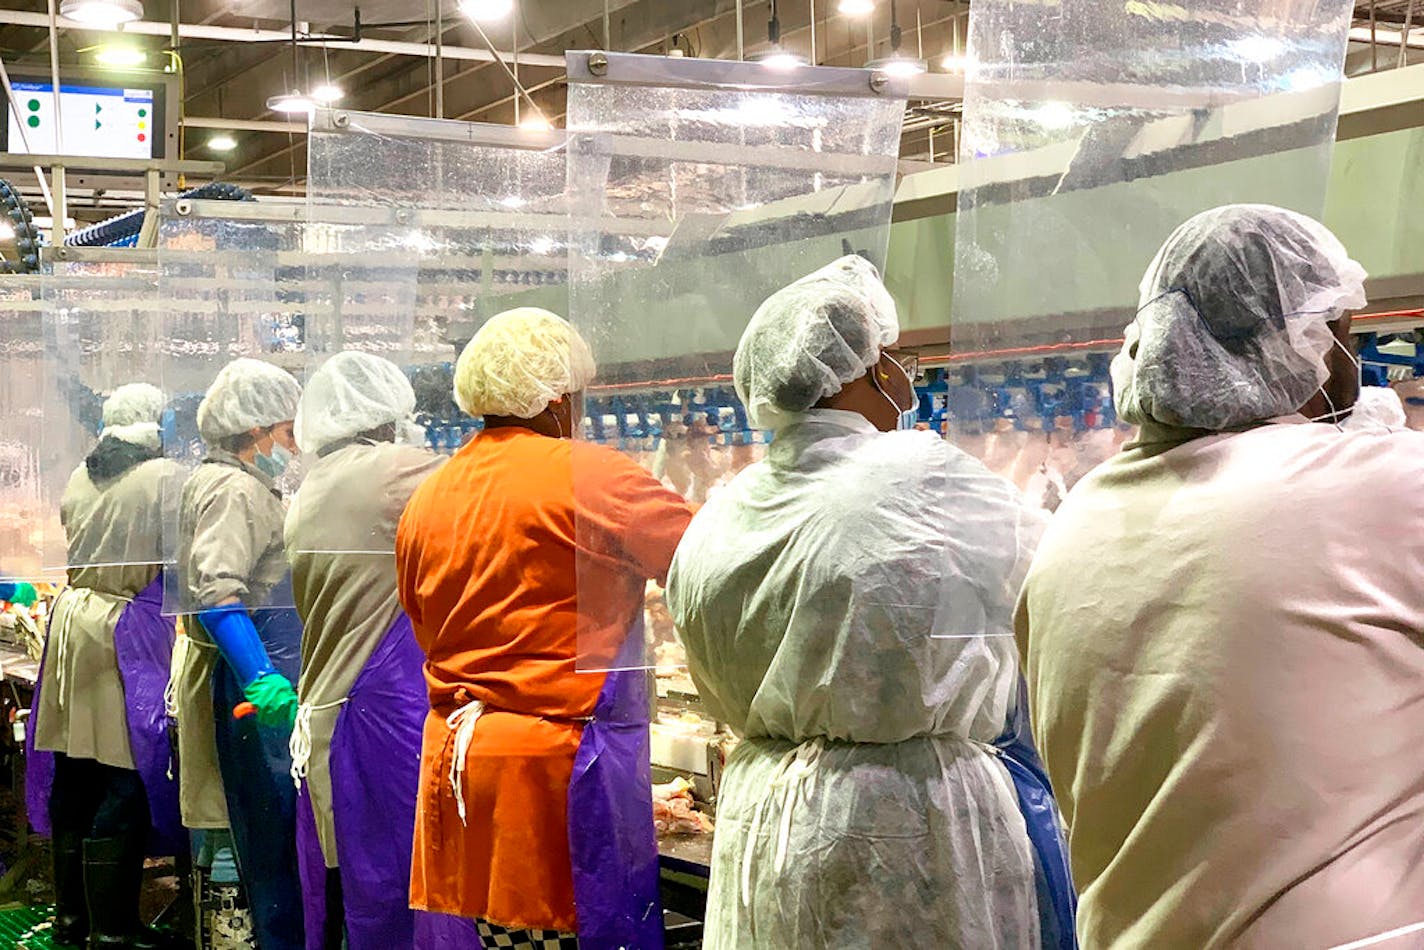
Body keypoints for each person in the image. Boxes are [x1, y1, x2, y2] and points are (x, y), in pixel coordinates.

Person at [1016, 205, 1424, 947]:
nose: (1352, 361)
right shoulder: (1383, 488)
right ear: (1305, 342)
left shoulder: (1073, 525)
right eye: (1347, 334)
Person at [664, 256, 1074, 949]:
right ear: (867, 369)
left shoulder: (721, 513)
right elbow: (1059, 570)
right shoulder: (917, 474)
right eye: (888, 354)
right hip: (909, 822)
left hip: (765, 820)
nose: (901, 372)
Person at [396, 308, 695, 948]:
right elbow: (713, 563)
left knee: (506, 940)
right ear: (559, 401)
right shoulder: (589, 473)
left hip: (462, 762)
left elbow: (424, 622)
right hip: (559, 770)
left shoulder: (431, 493)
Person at [283, 352, 464, 948]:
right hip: (379, 714)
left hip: (334, 710)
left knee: (348, 892)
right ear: (386, 415)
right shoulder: (388, 471)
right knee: (394, 890)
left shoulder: (317, 481)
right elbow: (487, 486)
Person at [27, 383, 185, 949]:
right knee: (124, 771)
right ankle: (114, 932)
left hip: (73, 622)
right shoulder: (165, 478)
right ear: (156, 425)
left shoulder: (81, 473)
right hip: (120, 627)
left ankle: (74, 924)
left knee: (76, 769)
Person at [173, 357, 306, 949]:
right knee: (267, 834)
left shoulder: (222, 480)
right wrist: (261, 679)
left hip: (246, 673)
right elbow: (219, 593)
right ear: (255, 431)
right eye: (286, 430)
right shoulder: (233, 489)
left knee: (251, 831)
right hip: (251, 682)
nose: (293, 443)